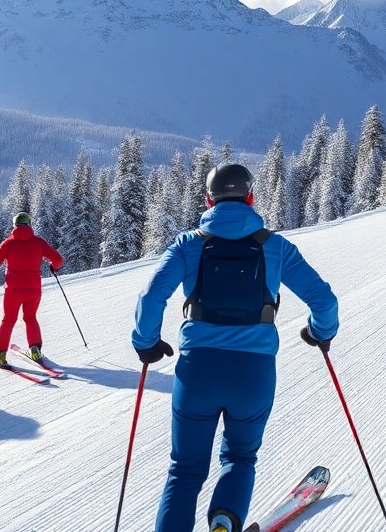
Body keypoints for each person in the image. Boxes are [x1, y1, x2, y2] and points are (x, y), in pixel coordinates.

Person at [132, 163, 339, 532]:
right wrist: (320, 332)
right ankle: (224, 525)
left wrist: (146, 343)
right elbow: (323, 301)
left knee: (184, 470)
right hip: (253, 373)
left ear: (208, 199)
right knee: (240, 456)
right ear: (251, 197)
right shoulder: (276, 247)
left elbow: (151, 298)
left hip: (198, 372)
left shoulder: (187, 244)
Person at [0, 212, 64, 367]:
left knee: (8, 320)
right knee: (30, 318)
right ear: (29, 224)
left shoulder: (8, 243)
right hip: (34, 290)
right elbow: (58, 259)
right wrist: (53, 267)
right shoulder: (38, 242)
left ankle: (0, 355)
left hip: (13, 291)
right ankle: (35, 350)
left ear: (15, 226)